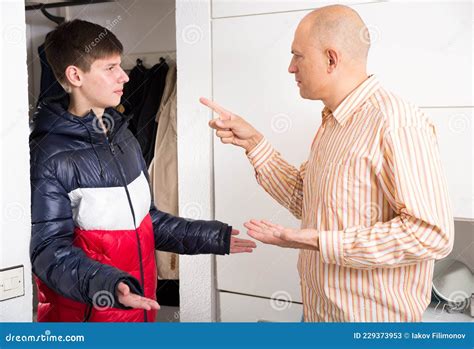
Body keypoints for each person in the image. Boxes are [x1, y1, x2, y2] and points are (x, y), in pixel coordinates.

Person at [201, 4, 454, 322]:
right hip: (319, 317)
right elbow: (306, 200)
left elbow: (431, 234)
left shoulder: (397, 122)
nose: (291, 68)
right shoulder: (332, 123)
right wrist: (254, 143)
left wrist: (317, 240)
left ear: (331, 59)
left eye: (298, 55)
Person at [29, 19, 256, 322]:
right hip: (87, 319)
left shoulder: (122, 137)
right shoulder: (50, 155)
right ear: (75, 75)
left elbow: (147, 221)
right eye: (110, 68)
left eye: (120, 65)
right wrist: (110, 285)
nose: (124, 76)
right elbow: (48, 252)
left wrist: (213, 236)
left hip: (137, 308)